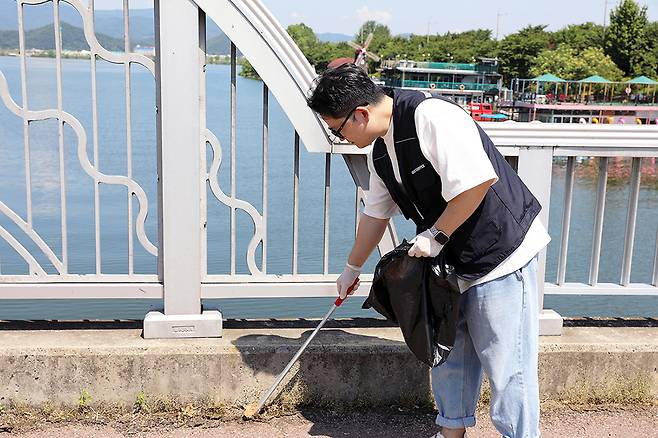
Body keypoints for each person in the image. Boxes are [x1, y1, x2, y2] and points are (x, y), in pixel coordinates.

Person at [306, 63, 550, 438]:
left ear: (360, 114)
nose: (340, 138)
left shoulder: (431, 116)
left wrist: (435, 235)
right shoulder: (380, 153)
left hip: (499, 252)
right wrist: (351, 269)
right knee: (449, 352)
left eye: (337, 130)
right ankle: (451, 431)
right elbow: (375, 214)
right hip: (450, 261)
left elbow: (476, 183)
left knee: (507, 365)